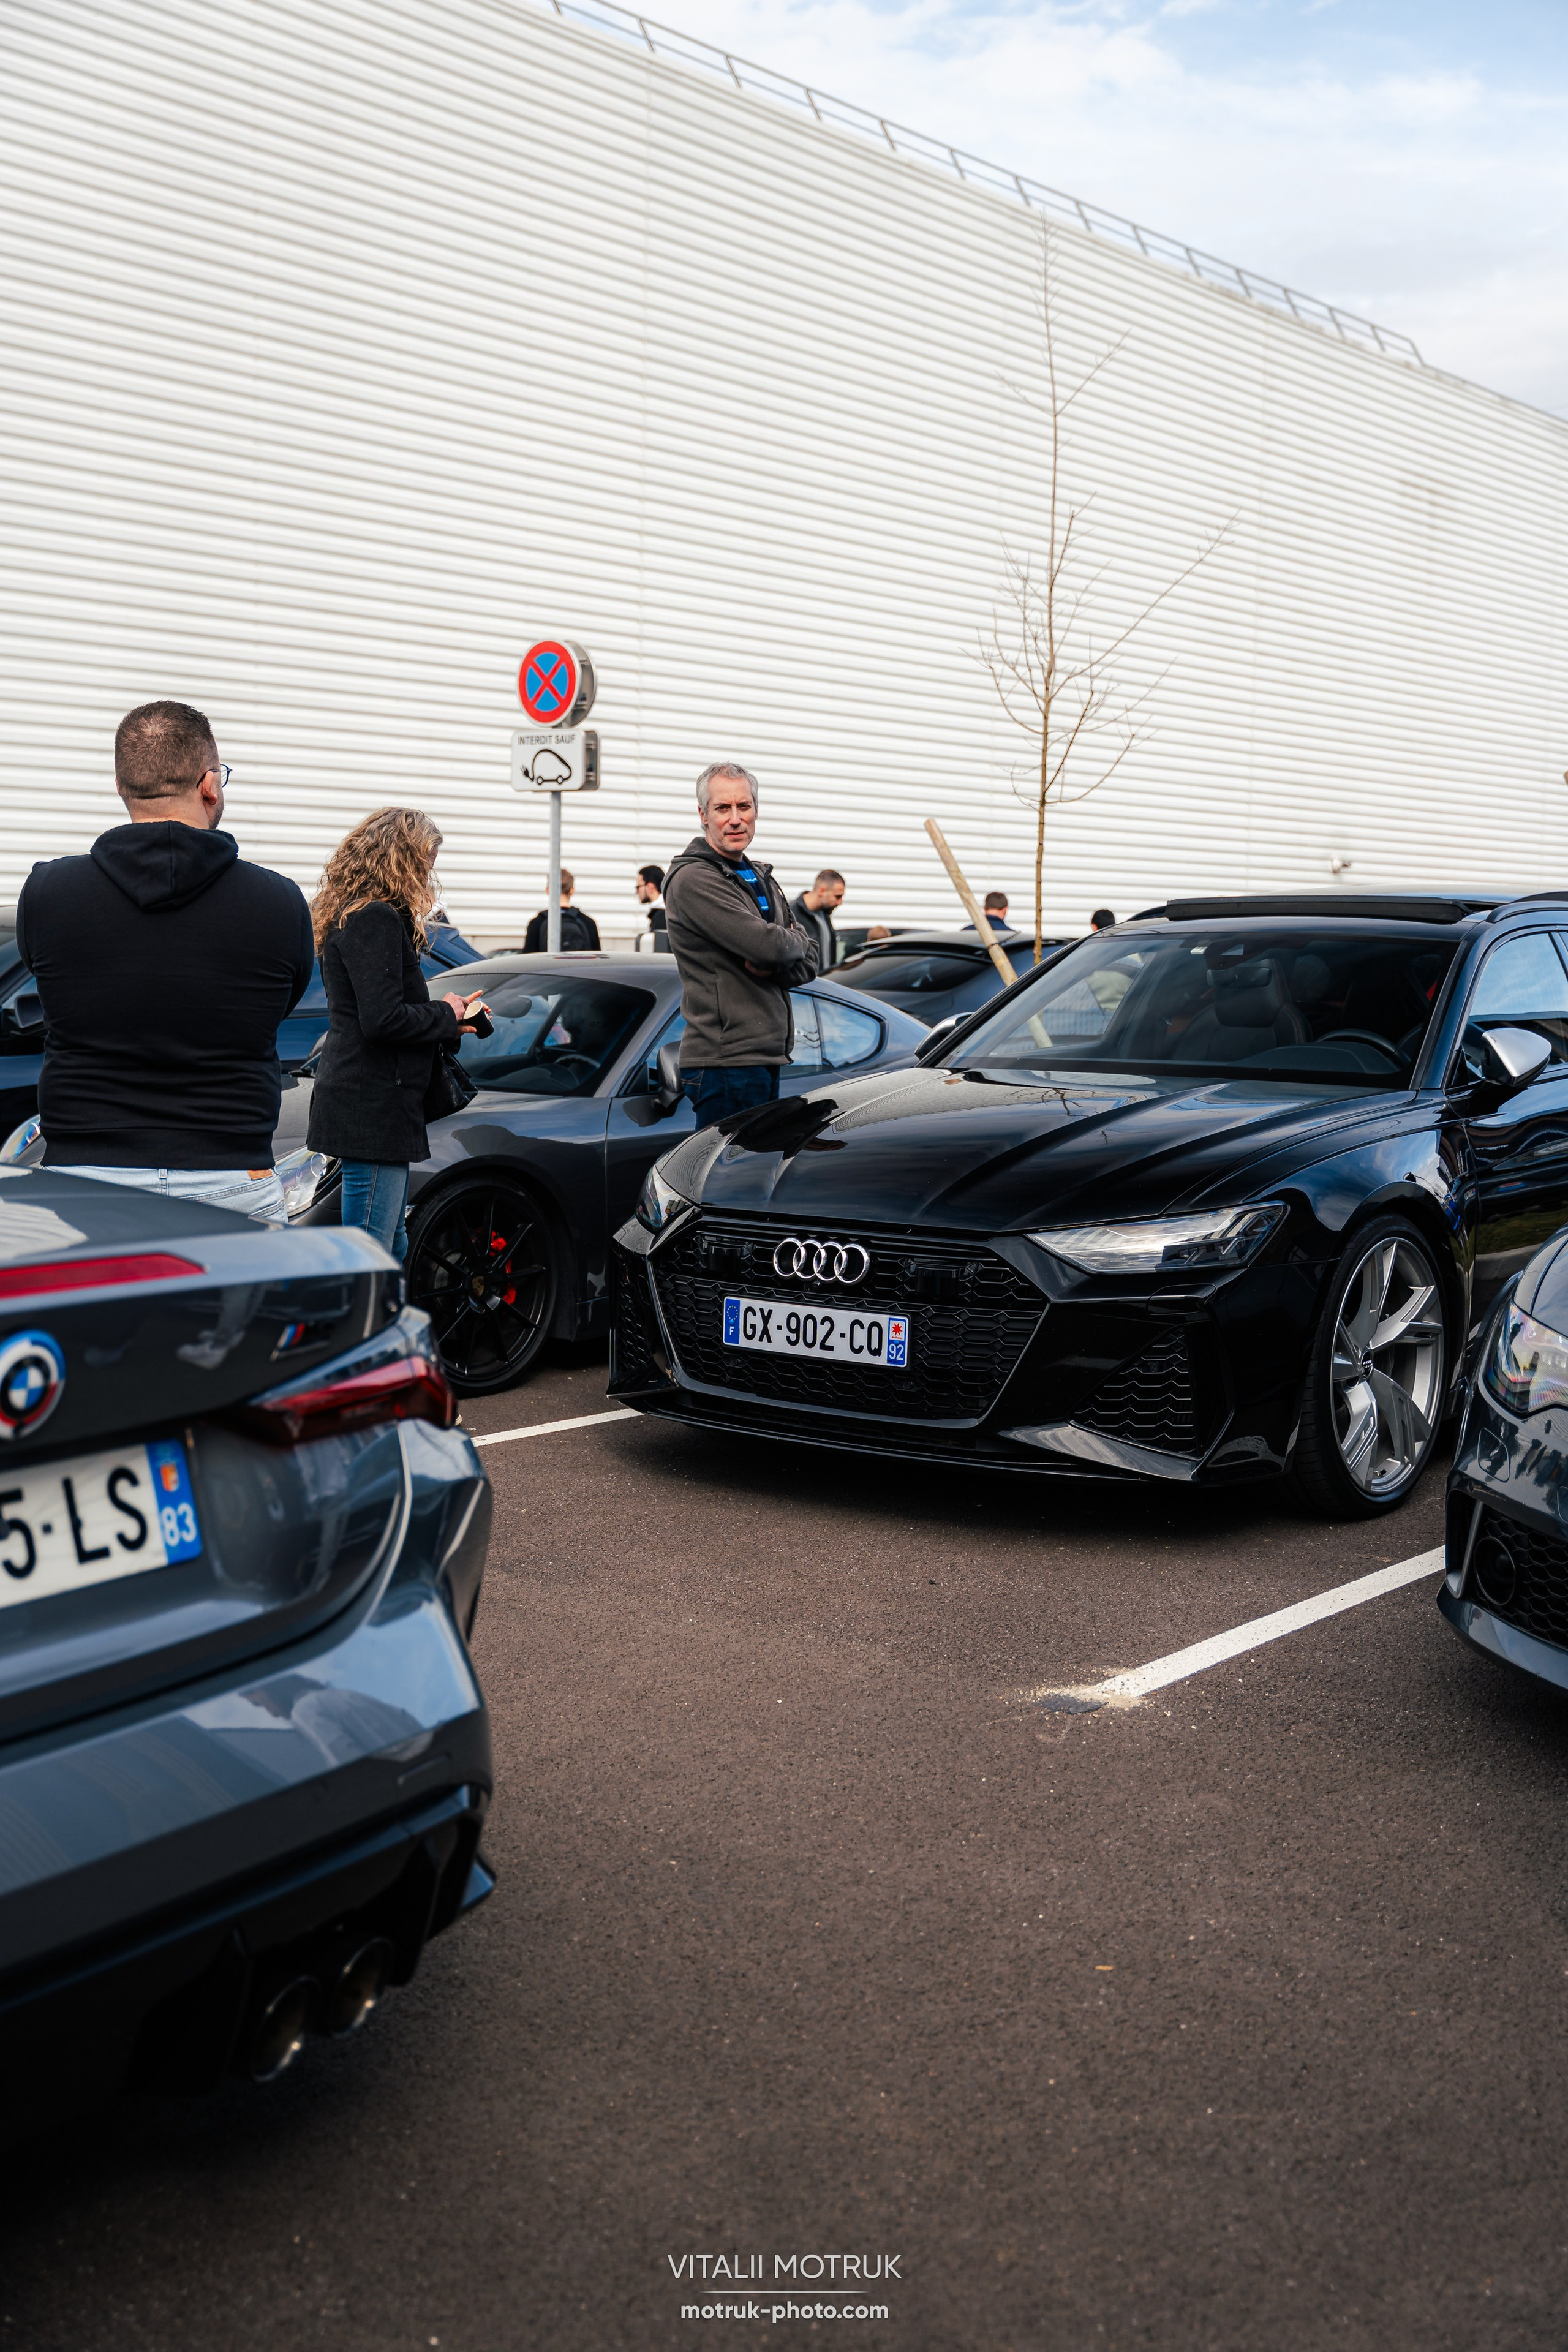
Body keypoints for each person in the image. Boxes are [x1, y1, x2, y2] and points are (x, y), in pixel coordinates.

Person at [15, 698, 312, 1223]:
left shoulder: (47, 893)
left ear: (121, 786)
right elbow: (280, 1003)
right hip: (232, 1174)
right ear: (209, 784)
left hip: (85, 1179)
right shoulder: (280, 902)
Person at [306, 808, 486, 1261]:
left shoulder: (359, 913)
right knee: (373, 1249)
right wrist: (445, 1012)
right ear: (402, 858)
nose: (428, 873)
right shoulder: (375, 918)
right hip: (373, 1103)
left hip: (372, 1100)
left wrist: (449, 1019)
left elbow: (378, 1013)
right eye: (426, 861)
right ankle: (371, 1312)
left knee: (391, 1241)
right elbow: (383, 1020)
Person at [663, 761, 818, 1128]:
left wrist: (780, 953)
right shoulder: (694, 879)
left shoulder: (759, 875)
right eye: (723, 808)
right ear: (703, 815)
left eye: (743, 806)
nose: (735, 819)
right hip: (726, 1064)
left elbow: (811, 960)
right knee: (729, 1167)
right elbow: (769, 947)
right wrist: (784, 945)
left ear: (756, 811)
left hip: (762, 1057)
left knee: (753, 1165)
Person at [524, 869, 600, 952]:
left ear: (548, 890)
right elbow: (597, 959)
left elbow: (528, 959)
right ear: (572, 891)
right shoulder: (588, 923)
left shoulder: (536, 924)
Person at [789, 869, 845, 969]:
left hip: (825, 978)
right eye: (837, 897)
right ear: (821, 891)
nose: (840, 902)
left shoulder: (824, 912)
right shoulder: (792, 914)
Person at [633, 864, 668, 953]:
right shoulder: (664, 911)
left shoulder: (662, 916)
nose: (637, 892)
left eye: (638, 887)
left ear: (650, 887)